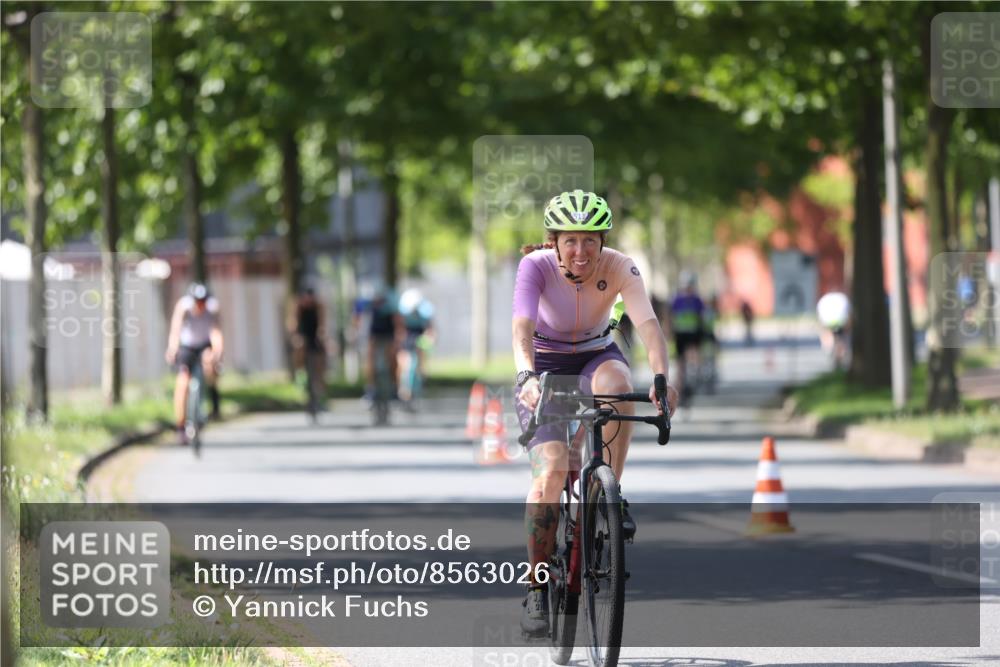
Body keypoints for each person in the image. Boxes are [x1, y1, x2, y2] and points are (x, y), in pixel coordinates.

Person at [512, 189, 678, 637]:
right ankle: (536, 583)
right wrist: (526, 375)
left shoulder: (620, 266)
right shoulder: (535, 267)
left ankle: (611, 491)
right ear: (554, 241)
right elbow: (522, 327)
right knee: (548, 474)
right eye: (571, 240)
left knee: (617, 386)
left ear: (602, 241)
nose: (581, 250)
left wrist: (661, 377)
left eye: (591, 240)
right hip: (544, 364)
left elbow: (647, 325)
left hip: (594, 356)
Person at [165, 283, 224, 444]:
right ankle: (181, 426)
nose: (200, 305)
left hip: (204, 344)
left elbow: (216, 333)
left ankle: (214, 401)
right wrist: (172, 349)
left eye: (203, 301)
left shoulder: (212, 309)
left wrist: (217, 353)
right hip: (187, 346)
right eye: (197, 301)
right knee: (183, 382)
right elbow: (176, 330)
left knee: (210, 365)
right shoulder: (183, 307)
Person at [353, 287, 404, 401]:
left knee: (393, 359)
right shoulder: (368, 307)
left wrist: (398, 341)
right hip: (373, 335)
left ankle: (394, 388)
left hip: (388, 335)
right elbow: (358, 321)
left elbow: (398, 324)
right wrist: (356, 333)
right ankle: (370, 388)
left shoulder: (391, 306)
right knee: (370, 360)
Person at [669, 271, 705, 404]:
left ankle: (692, 377)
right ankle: (681, 386)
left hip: (693, 334)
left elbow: (701, 317)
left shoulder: (697, 300)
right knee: (680, 362)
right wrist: (669, 332)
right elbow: (671, 317)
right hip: (681, 334)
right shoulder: (677, 299)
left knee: (692, 356)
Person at [288, 286, 327, 406]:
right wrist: (296, 336)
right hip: (303, 334)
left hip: (315, 335)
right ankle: (300, 375)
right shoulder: (297, 306)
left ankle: (320, 385)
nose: (308, 302)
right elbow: (293, 323)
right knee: (299, 347)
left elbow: (322, 323)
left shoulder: (319, 306)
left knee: (320, 356)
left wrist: (321, 334)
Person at [396, 288, 435, 406]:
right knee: (403, 364)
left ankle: (419, 383)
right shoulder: (402, 313)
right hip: (406, 340)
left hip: (418, 339)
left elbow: (430, 329)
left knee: (419, 363)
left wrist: (429, 339)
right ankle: (402, 388)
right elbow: (399, 330)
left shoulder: (424, 312)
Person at [816, 291, 850, 370]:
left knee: (826, 331)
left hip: (828, 321)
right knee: (842, 338)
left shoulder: (824, 299)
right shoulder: (843, 298)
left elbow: (819, 316)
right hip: (841, 320)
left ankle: (828, 346)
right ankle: (841, 351)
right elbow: (849, 315)